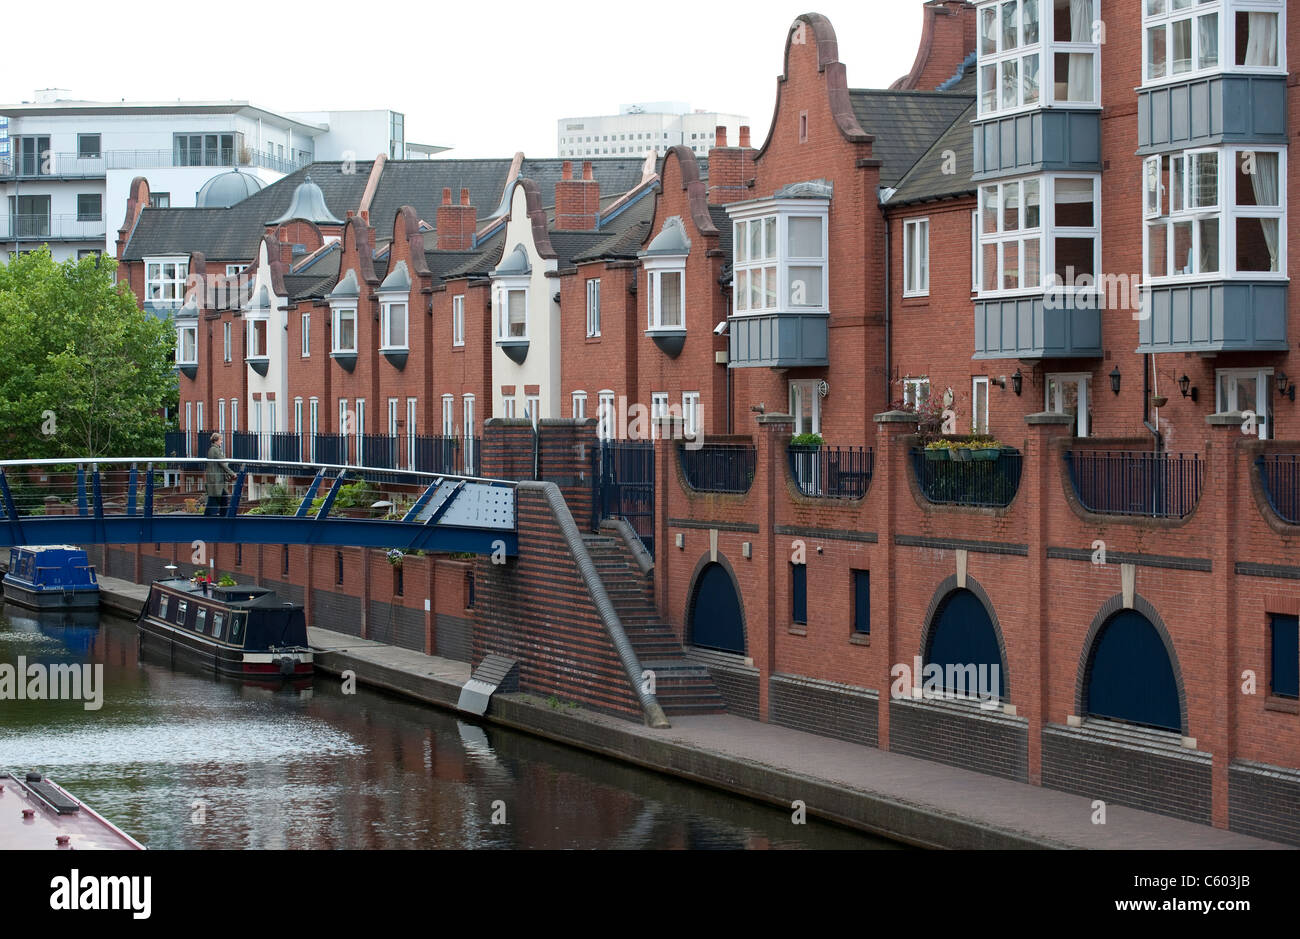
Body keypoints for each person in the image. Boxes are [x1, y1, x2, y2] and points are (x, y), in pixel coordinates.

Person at [205, 433, 236, 516]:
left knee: (220, 500)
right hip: (217, 481)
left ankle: (220, 517)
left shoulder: (212, 450)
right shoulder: (215, 450)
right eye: (220, 440)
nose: (221, 442)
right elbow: (223, 463)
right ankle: (221, 519)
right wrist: (232, 473)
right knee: (219, 500)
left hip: (215, 481)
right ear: (216, 440)